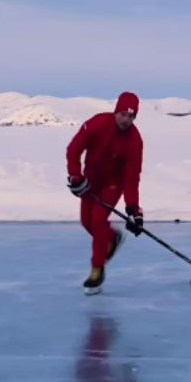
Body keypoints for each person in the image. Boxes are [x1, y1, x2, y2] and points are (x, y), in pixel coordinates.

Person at [66, 91, 144, 294]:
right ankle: (112, 237)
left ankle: (97, 269)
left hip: (112, 184)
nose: (126, 120)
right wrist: (76, 176)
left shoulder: (135, 141)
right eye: (123, 115)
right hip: (89, 182)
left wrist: (133, 209)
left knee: (98, 219)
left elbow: (131, 177)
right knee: (87, 222)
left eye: (131, 116)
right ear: (116, 111)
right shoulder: (98, 123)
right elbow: (73, 149)